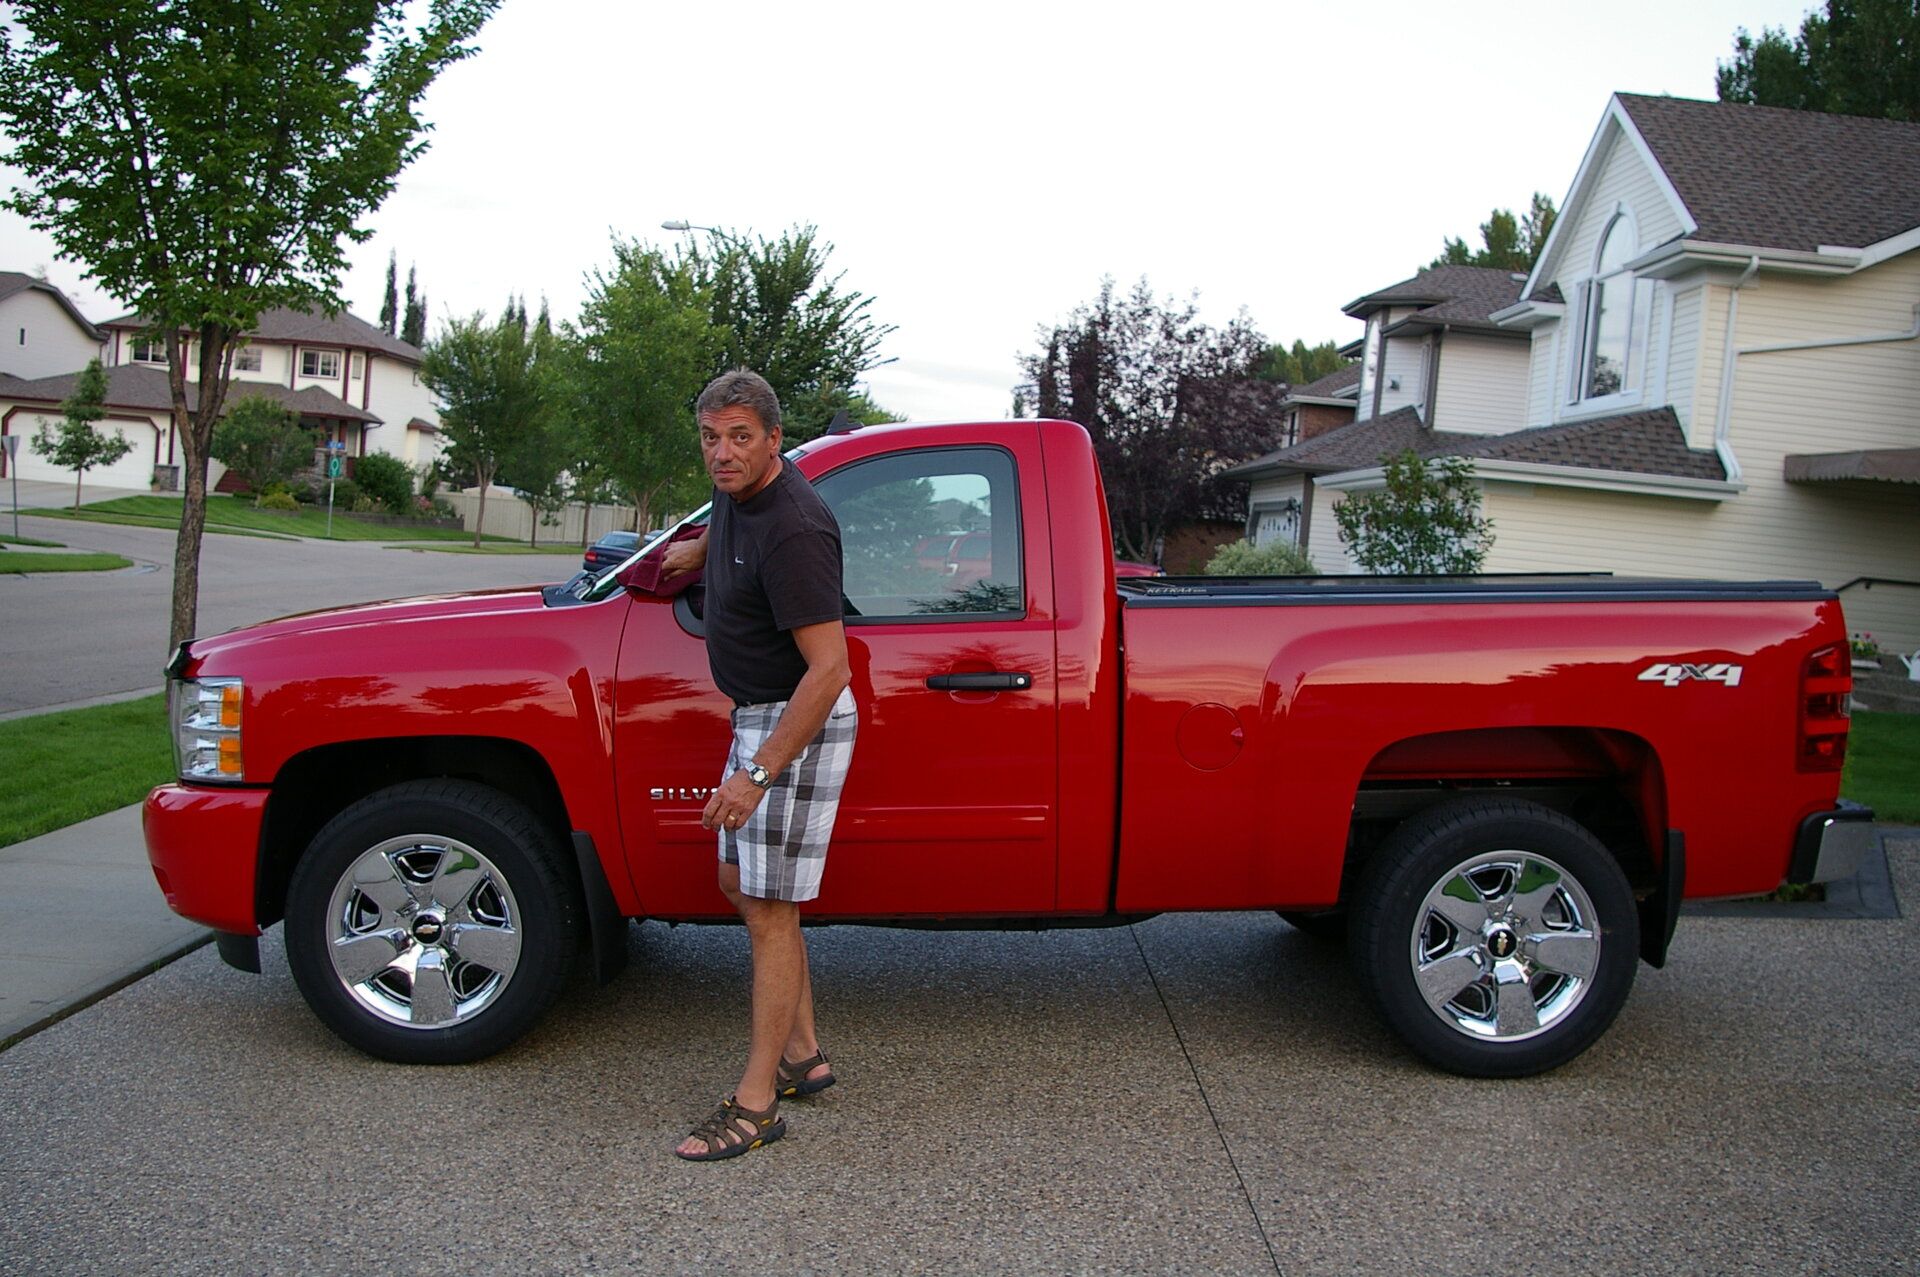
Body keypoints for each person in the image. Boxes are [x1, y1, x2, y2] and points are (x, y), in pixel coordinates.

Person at [662, 369, 856, 1161]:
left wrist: (758, 773)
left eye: (740, 437)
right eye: (711, 437)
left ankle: (756, 1104)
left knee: (771, 910)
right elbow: (729, 526)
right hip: (757, 716)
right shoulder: (736, 494)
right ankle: (804, 1054)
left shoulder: (796, 529)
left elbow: (830, 670)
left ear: (775, 439)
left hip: (794, 720)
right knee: (739, 881)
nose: (723, 452)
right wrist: (692, 553)